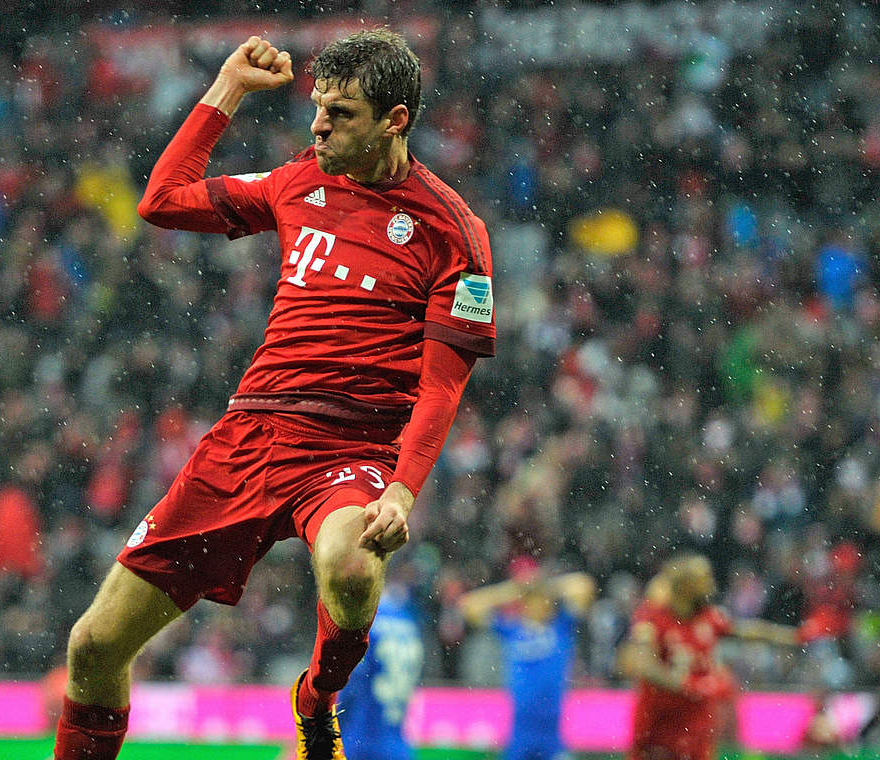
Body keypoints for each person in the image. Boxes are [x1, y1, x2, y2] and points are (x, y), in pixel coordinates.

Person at [52, 29, 495, 760]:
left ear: (397, 120)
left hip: (349, 452)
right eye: (317, 107)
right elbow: (161, 200)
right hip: (247, 440)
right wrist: (226, 88)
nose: (318, 125)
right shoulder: (296, 184)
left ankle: (315, 699)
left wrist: (403, 492)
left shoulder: (454, 233)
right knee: (95, 646)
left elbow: (443, 386)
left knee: (353, 568)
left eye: (341, 113)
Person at [618, 554, 800, 760]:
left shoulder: (710, 617)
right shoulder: (652, 618)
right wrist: (687, 684)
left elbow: (745, 630)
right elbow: (643, 665)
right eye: (704, 577)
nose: (711, 583)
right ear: (685, 584)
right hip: (660, 717)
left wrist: (790, 636)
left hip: (696, 719)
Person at [459, 560, 597, 760]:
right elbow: (469, 605)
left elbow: (585, 585)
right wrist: (514, 590)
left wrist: (544, 586)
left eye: (543, 600)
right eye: (534, 600)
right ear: (524, 603)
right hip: (520, 732)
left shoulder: (561, 626)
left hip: (552, 733)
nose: (540, 605)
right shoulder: (512, 629)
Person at [337, 579, 424, 760]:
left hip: (360, 741)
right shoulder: (408, 622)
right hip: (397, 744)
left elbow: (346, 687)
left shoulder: (366, 622)